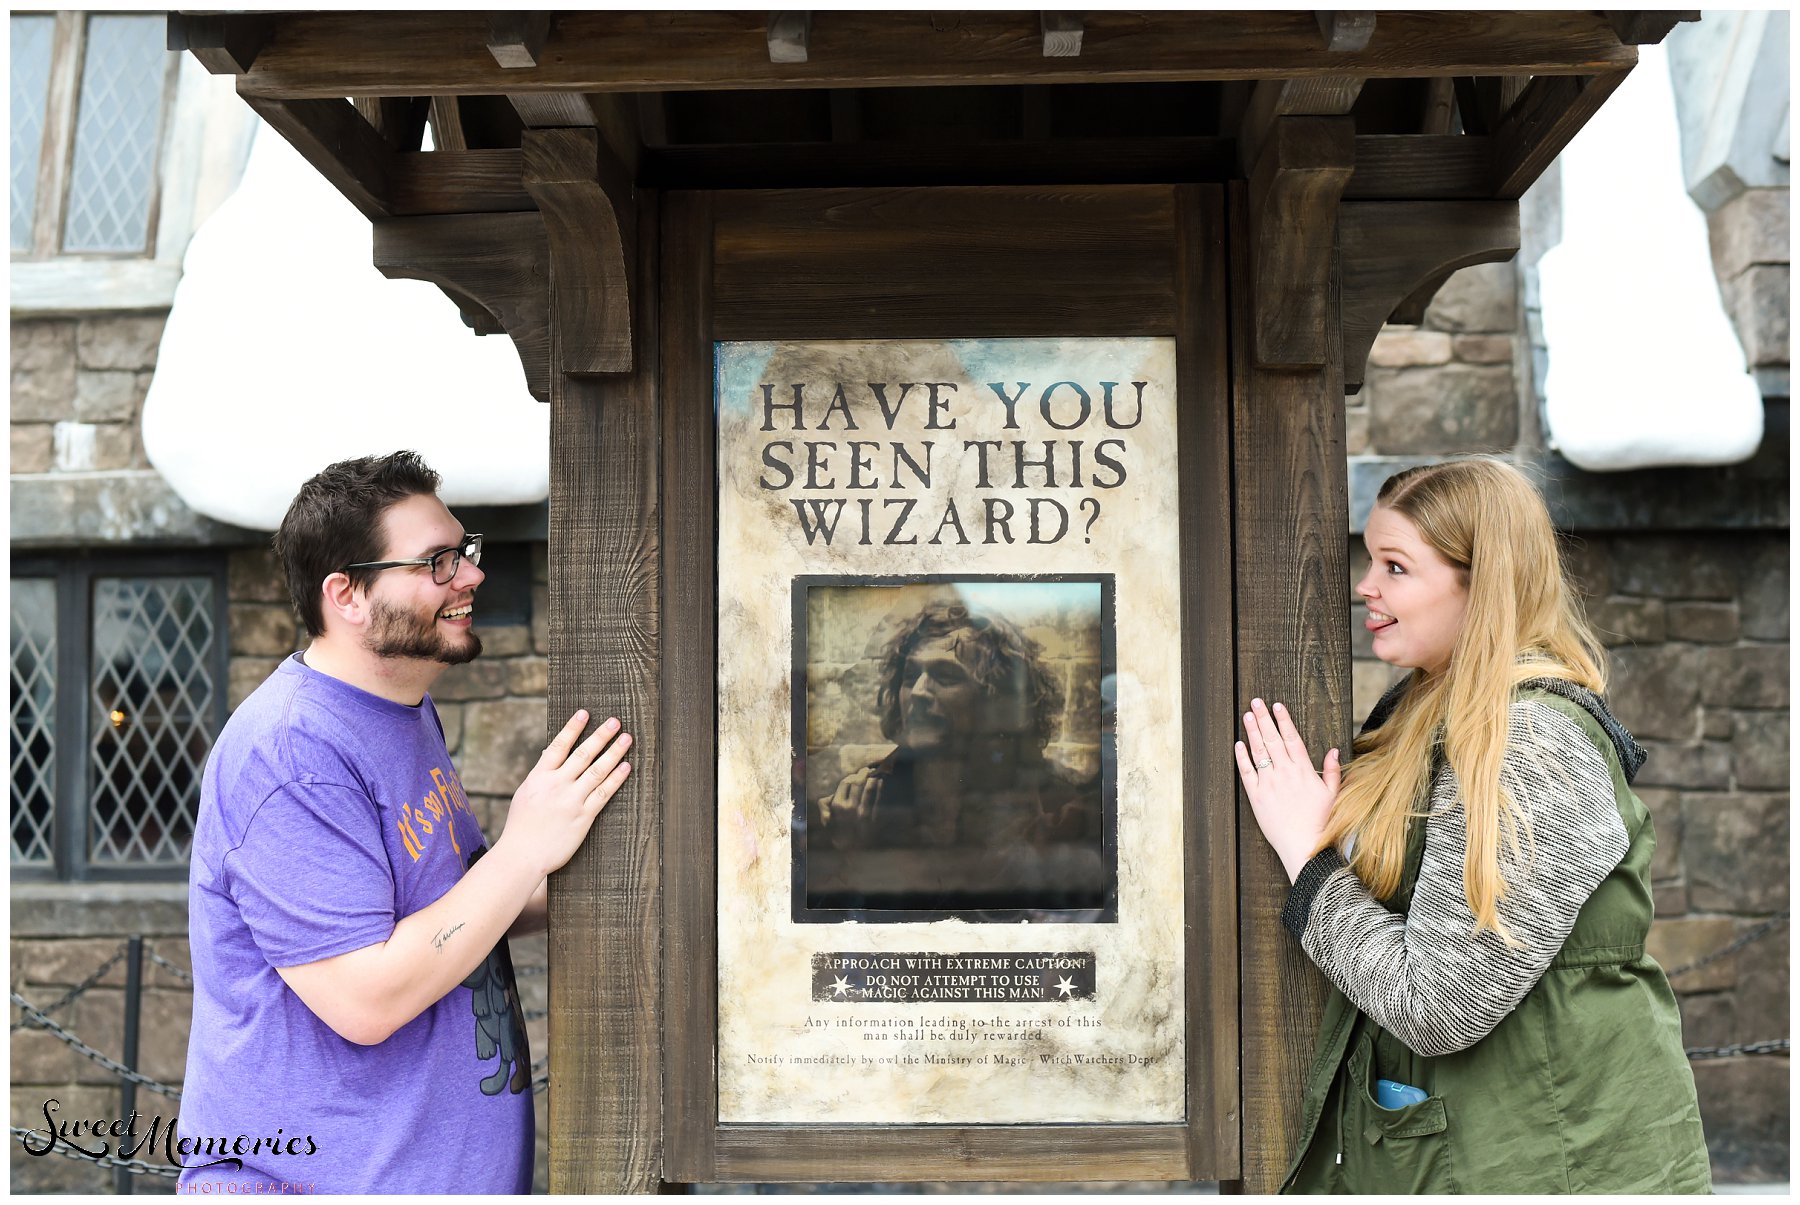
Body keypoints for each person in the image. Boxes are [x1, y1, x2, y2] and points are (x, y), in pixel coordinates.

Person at [1235, 457, 1710, 1194]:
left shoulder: (1529, 744)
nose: (1365, 585)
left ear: (1479, 582)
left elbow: (1441, 1005)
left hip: (1561, 1165)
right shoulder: (1425, 714)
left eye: (1396, 566)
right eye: (1371, 559)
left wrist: (1309, 859)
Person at [180, 451, 632, 1194]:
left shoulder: (401, 712)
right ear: (347, 595)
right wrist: (523, 848)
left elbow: (456, 912)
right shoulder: (290, 751)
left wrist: (659, 870)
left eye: (466, 552)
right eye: (437, 561)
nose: (472, 575)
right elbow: (367, 998)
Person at [806, 596, 1105, 915]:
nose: (919, 692)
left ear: (997, 699)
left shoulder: (1056, 807)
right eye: (910, 677)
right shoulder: (859, 802)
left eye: (945, 676)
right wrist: (850, 855)